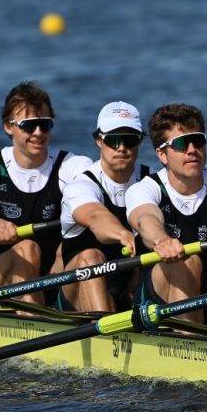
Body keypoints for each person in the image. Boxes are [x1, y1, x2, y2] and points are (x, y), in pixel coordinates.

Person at [0, 81, 91, 304]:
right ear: (8, 126)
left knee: (91, 258)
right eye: (29, 126)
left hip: (51, 276)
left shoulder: (72, 165)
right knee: (27, 247)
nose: (38, 133)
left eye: (44, 124)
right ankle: (34, 317)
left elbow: (92, 208)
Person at [125, 103, 207, 323]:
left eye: (198, 140)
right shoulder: (144, 189)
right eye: (182, 143)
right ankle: (189, 340)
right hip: (157, 300)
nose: (192, 149)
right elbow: (146, 217)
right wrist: (161, 240)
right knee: (188, 261)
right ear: (162, 154)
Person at [57, 101, 150, 312]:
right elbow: (96, 217)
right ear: (99, 140)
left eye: (130, 140)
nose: (122, 147)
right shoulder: (81, 186)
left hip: (128, 291)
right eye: (114, 140)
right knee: (91, 257)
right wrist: (124, 235)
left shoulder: (151, 182)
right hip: (77, 300)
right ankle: (104, 337)